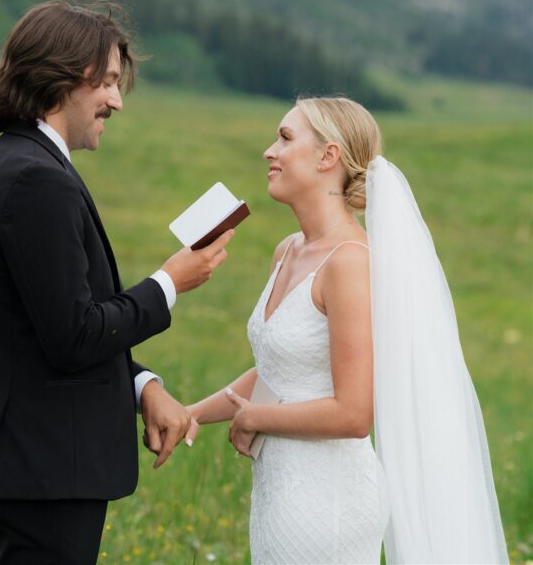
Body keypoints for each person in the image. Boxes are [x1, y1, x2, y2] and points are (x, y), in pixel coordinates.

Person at [0, 0, 233, 565]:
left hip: (37, 466)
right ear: (62, 77)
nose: (116, 101)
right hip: (45, 468)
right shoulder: (38, 179)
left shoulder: (17, 162)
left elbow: (43, 326)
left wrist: (141, 386)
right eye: (107, 82)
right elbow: (74, 335)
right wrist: (170, 283)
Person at [185, 96, 508, 565]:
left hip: (328, 500)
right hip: (280, 491)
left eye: (285, 138)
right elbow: (278, 370)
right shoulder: (288, 251)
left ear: (327, 156)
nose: (268, 151)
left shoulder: (351, 263)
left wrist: (256, 419)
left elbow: (354, 413)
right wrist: (191, 414)